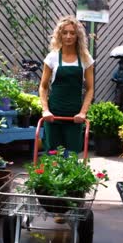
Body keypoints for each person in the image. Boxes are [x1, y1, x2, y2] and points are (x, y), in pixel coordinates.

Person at [39, 15, 94, 153]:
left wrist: (83, 113)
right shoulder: (52, 57)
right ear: (59, 35)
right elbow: (43, 86)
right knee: (53, 155)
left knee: (71, 156)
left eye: (72, 33)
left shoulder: (85, 59)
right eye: (65, 33)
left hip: (75, 116)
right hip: (53, 115)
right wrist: (45, 110)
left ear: (77, 36)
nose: (68, 36)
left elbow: (90, 89)